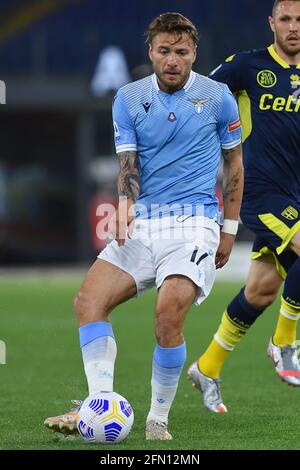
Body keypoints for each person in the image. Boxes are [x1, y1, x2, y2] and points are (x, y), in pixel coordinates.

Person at [44, 12, 243, 440]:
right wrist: (124, 205)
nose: (173, 60)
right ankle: (98, 407)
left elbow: (235, 164)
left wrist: (229, 228)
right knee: (87, 302)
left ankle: (157, 420)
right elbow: (128, 163)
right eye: (165, 51)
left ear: (194, 53)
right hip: (145, 222)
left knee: (167, 312)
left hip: (195, 223)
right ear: (151, 51)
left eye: (182, 52)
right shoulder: (129, 98)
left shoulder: (218, 96)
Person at [188, 0, 300, 414]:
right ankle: (285, 343)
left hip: (297, 194)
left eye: (299, 20)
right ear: (272, 23)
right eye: (285, 19)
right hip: (261, 191)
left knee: (261, 291)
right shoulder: (247, 67)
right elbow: (197, 95)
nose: (293, 27)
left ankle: (207, 367)